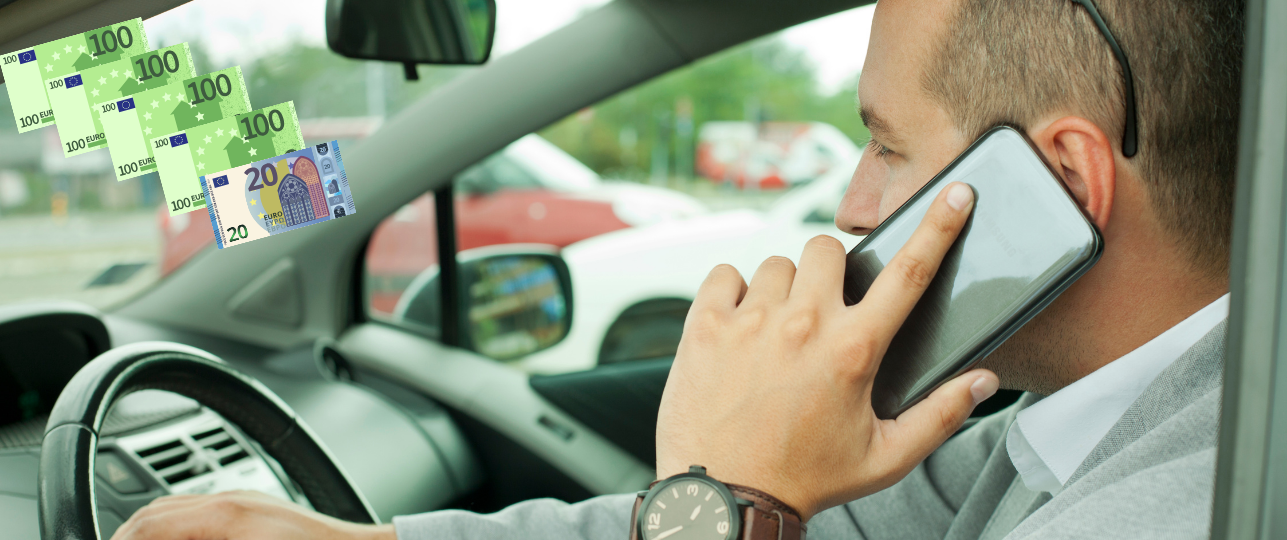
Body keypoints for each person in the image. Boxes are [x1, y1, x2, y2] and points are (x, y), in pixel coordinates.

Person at [110, 0, 1243, 538]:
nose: (852, 205)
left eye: (888, 143)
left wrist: (730, 492)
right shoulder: (1047, 424)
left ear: (1062, 182)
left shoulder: (1170, 508)